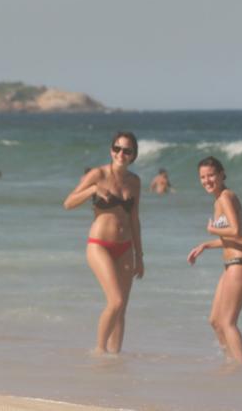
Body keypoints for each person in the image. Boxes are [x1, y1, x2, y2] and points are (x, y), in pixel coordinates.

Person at [63, 132, 144, 355]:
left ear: (133, 155)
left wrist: (140, 256)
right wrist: (92, 190)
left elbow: (135, 219)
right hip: (99, 245)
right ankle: (99, 351)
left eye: (127, 151)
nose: (121, 154)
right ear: (111, 150)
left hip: (125, 247)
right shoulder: (97, 174)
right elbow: (68, 203)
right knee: (115, 301)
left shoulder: (135, 182)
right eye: (117, 149)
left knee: (122, 309)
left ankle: (115, 357)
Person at [187, 156, 242, 365]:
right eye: (202, 177)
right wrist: (206, 244)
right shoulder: (220, 200)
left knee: (228, 321)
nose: (207, 180)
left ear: (222, 174)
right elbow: (232, 238)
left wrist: (212, 229)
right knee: (215, 320)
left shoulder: (225, 197)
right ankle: (231, 362)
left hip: (240, 264)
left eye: (211, 175)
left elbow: (236, 231)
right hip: (232, 264)